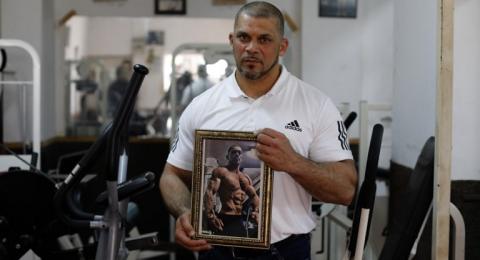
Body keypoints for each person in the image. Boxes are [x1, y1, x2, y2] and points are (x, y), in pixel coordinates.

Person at [159, 1, 357, 259]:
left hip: (285, 251)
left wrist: (293, 162)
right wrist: (185, 212)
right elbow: (171, 175)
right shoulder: (202, 106)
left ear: (282, 46)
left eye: (264, 39)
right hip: (216, 251)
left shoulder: (315, 105)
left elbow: (346, 190)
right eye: (244, 37)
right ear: (232, 40)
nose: (252, 48)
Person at [203, 145, 260, 238]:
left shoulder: (246, 178)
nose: (237, 154)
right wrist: (211, 217)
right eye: (234, 152)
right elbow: (209, 193)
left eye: (239, 153)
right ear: (227, 156)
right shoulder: (221, 172)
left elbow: (254, 196)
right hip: (225, 217)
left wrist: (256, 211)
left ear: (242, 157)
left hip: (240, 218)